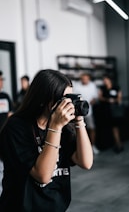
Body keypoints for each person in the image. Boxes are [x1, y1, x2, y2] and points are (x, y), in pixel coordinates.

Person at [0, 69, 93, 211]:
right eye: (65, 99)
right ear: (45, 99)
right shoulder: (17, 127)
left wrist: (79, 121)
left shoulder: (64, 128)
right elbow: (42, 176)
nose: (69, 104)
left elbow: (86, 162)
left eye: (72, 98)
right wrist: (55, 127)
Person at [73, 73, 100, 155]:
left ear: (88, 79)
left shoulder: (92, 86)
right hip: (78, 112)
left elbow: (95, 97)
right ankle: (78, 148)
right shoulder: (77, 86)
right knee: (77, 129)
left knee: (92, 128)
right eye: (83, 78)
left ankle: (92, 146)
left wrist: (91, 102)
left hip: (89, 111)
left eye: (86, 78)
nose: (84, 80)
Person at [98, 74, 124, 153]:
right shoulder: (102, 88)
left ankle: (118, 144)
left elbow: (119, 98)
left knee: (115, 128)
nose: (105, 81)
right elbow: (100, 97)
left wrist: (114, 100)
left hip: (114, 111)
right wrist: (107, 100)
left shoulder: (116, 87)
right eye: (104, 80)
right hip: (105, 110)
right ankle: (114, 144)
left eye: (106, 80)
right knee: (109, 128)